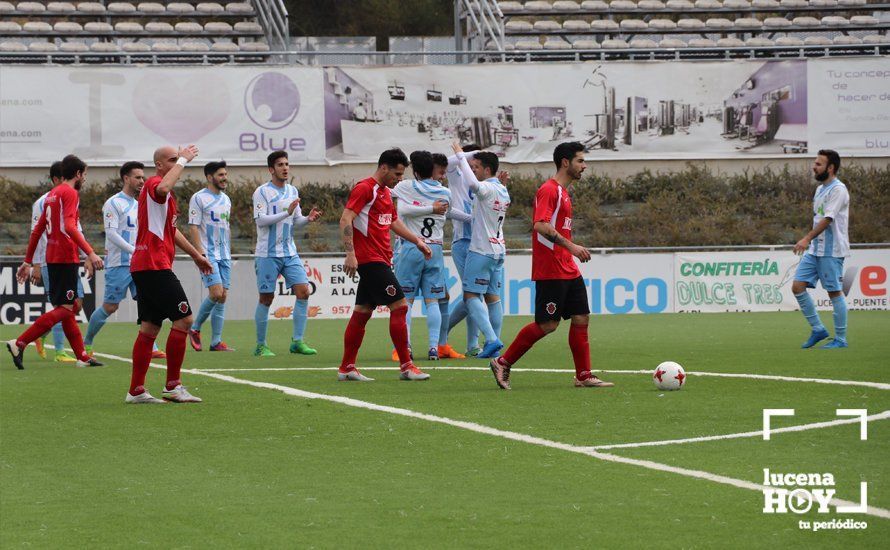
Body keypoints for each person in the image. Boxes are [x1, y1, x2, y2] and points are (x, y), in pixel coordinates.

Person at [489, 142, 614, 390]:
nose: (584, 166)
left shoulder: (564, 193)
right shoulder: (549, 190)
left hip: (567, 267)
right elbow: (540, 225)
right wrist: (572, 247)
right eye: (580, 161)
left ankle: (583, 375)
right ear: (565, 162)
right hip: (551, 269)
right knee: (548, 324)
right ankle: (502, 362)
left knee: (581, 317)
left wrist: (569, 252)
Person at [125, 145, 213, 404]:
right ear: (159, 165)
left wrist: (197, 255)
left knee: (150, 328)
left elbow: (171, 231)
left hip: (147, 266)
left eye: (178, 159)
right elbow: (163, 187)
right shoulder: (155, 184)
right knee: (184, 320)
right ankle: (173, 386)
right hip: (153, 266)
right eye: (172, 160)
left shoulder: (164, 198)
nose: (177, 164)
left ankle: (136, 390)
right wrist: (185, 159)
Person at [337, 148, 433, 382]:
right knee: (400, 306)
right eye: (397, 174)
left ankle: (346, 368)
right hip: (370, 260)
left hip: (380, 259)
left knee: (362, 313)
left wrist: (418, 241)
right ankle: (406, 366)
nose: (400, 179)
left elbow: (393, 221)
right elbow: (345, 218)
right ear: (384, 168)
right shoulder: (365, 188)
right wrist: (350, 254)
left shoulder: (386, 193)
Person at [7, 155, 104, 370]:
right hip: (65, 256)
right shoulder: (70, 192)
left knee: (68, 306)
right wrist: (91, 252)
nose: (85, 179)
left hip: (53, 257)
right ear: (77, 174)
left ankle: (81, 355)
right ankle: (20, 342)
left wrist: (27, 261)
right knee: (67, 307)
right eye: (84, 174)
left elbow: (38, 229)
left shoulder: (52, 195)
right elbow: (70, 227)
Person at [83, 162, 166, 359]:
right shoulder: (113, 203)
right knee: (110, 307)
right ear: (126, 178)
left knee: (147, 303)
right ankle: (86, 342)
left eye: (142, 177)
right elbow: (111, 233)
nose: (141, 181)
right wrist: (133, 250)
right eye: (137, 177)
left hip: (139, 264)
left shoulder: (139, 205)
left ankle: (151, 345)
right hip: (119, 263)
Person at [252, 150, 323, 357]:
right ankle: (260, 345)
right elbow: (260, 220)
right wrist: (286, 213)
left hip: (289, 252)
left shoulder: (292, 190)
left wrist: (307, 219)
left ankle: (297, 342)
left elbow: (295, 220)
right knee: (266, 298)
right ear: (271, 169)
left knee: (304, 291)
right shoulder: (262, 192)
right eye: (280, 165)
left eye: (287, 164)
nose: (285, 168)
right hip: (267, 254)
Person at [450, 141, 510, 359]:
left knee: (471, 295)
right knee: (493, 297)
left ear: (486, 170)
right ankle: (493, 344)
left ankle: (492, 340)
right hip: (498, 250)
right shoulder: (503, 191)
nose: (471, 170)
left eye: (475, 167)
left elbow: (475, 186)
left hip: (481, 250)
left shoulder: (485, 188)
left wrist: (460, 156)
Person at [392, 151, 451, 361]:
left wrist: (424, 207)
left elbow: (402, 211)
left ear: (415, 172)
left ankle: (405, 347)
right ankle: (433, 347)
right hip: (435, 248)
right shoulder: (445, 193)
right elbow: (441, 212)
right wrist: (432, 208)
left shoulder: (406, 187)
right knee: (432, 300)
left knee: (405, 301)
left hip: (412, 246)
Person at [792, 149, 851, 349]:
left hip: (831, 250)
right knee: (797, 286)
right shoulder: (820, 189)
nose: (814, 167)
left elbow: (828, 219)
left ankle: (841, 339)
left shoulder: (838, 190)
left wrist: (806, 238)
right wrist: (810, 242)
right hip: (815, 250)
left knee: (834, 292)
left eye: (818, 164)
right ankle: (818, 329)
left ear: (830, 168)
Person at [28, 161, 82, 362]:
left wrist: (85, 256)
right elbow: (37, 231)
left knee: (75, 304)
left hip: (70, 257)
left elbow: (75, 228)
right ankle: (59, 350)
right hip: (52, 260)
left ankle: (41, 335)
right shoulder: (44, 201)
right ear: (56, 179)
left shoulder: (68, 197)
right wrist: (35, 263)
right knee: (64, 306)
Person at [188, 160, 235, 352]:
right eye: (221, 175)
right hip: (208, 253)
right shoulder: (199, 198)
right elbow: (193, 226)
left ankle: (216, 342)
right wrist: (200, 253)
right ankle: (195, 328)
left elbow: (226, 227)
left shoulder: (226, 199)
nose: (225, 178)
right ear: (209, 177)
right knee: (215, 293)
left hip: (224, 254)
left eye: (225, 174)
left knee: (222, 297)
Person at [443, 144, 483, 356]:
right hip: (462, 241)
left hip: (481, 243)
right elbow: (448, 161)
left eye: (479, 163)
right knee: (472, 295)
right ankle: (446, 334)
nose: (475, 166)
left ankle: (471, 345)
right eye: (473, 162)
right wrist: (465, 155)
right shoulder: (457, 174)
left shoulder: (480, 181)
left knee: (475, 295)